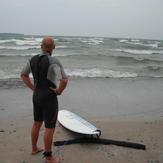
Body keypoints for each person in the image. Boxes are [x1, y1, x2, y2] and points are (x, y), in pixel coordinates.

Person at [21, 37, 68, 163]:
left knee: (37, 123)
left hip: (36, 96)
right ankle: (48, 157)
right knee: (49, 127)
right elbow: (63, 80)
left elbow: (23, 75)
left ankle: (34, 148)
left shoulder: (32, 59)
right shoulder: (53, 61)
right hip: (49, 98)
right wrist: (58, 91)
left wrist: (33, 88)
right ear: (53, 47)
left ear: (41, 46)